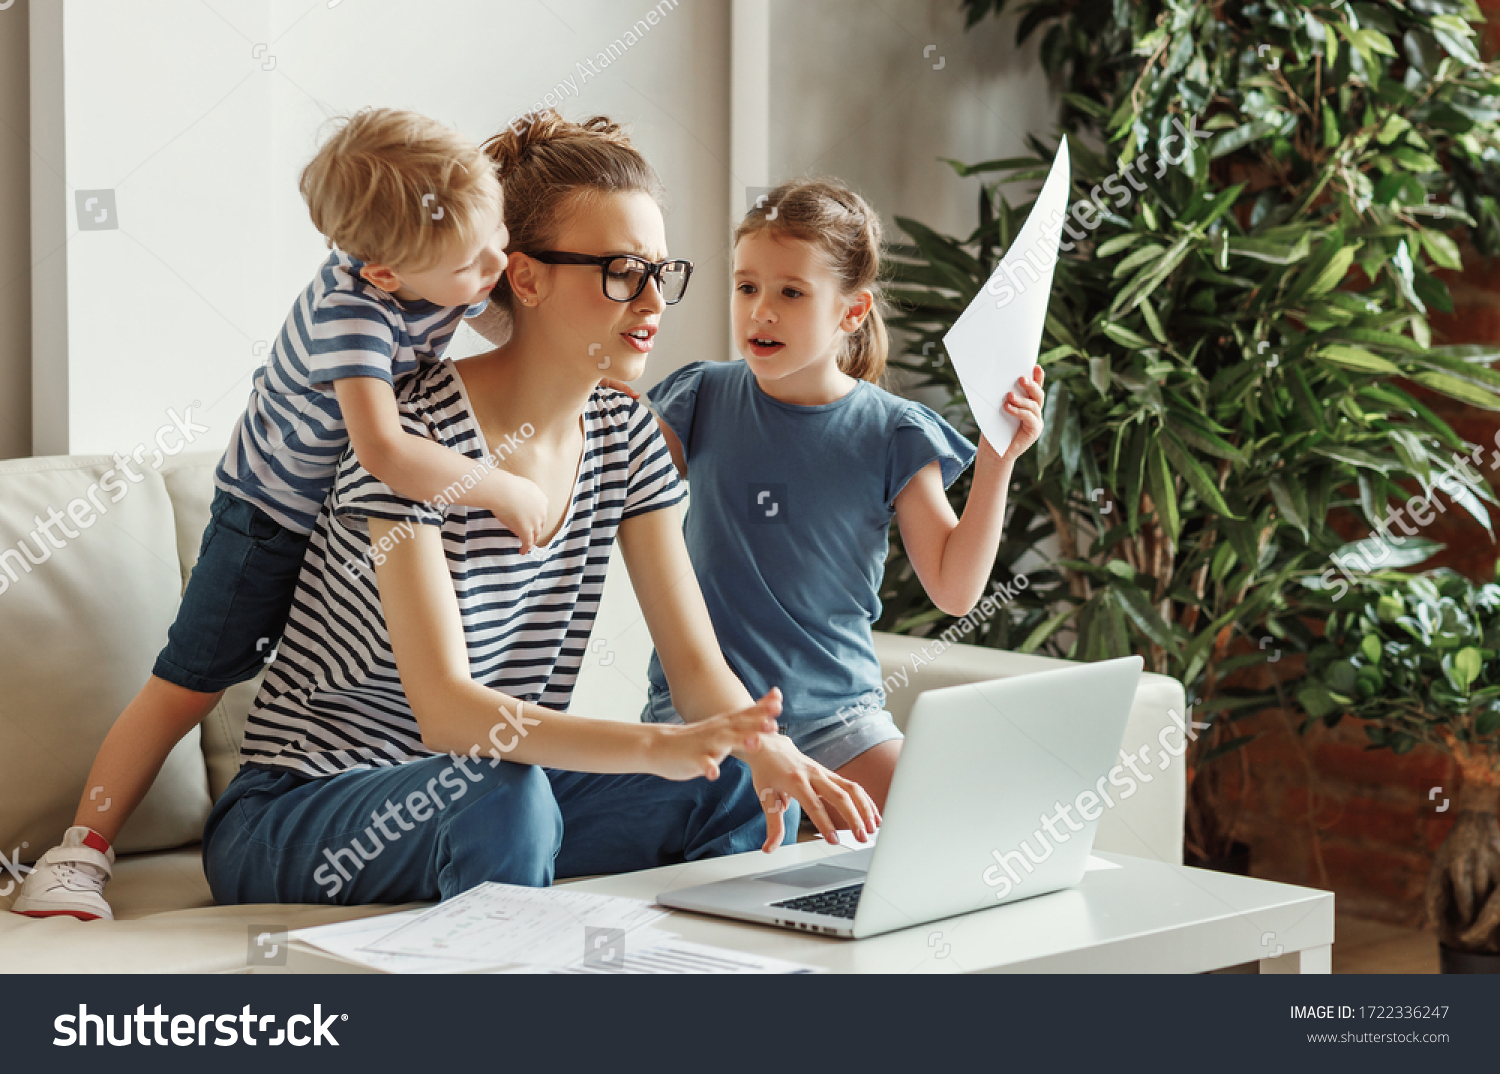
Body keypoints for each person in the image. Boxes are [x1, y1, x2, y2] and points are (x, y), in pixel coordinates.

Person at [199, 114, 879, 907]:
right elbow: (449, 712)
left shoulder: (626, 434)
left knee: (729, 783)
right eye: (624, 271)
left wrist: (766, 749)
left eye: (663, 271)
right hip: (302, 806)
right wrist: (657, 745)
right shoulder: (412, 435)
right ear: (524, 278)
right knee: (506, 795)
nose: (654, 300)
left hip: (488, 790)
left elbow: (697, 671)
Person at [12, 108, 544, 921]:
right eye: (474, 261)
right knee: (186, 685)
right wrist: (502, 485)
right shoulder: (349, 315)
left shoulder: (440, 265)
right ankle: (77, 853)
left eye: (500, 234)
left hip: (334, 525)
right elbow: (386, 451)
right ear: (385, 277)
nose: (497, 264)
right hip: (267, 521)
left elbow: (510, 315)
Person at [640, 177, 1046, 814]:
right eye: (746, 286)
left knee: (945, 827)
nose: (760, 311)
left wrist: (998, 460)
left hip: (839, 724)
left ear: (851, 312)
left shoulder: (895, 432)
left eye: (791, 293)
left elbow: (953, 588)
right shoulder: (699, 399)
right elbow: (601, 487)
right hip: (706, 721)